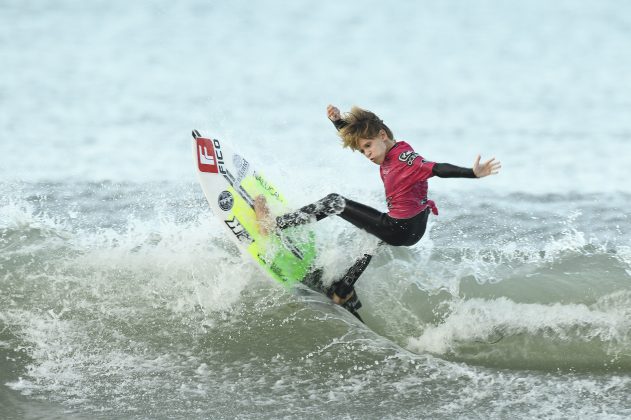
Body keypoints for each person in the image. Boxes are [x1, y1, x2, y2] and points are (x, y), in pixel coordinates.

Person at [255, 105, 501, 317]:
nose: (367, 154)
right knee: (371, 237)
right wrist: (337, 121)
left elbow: (436, 168)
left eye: (368, 147)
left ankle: (274, 224)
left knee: (335, 202)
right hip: (413, 228)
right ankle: (343, 290)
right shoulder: (389, 150)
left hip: (400, 227)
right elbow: (363, 136)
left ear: (383, 136)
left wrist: (471, 173)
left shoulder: (406, 158)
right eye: (363, 150)